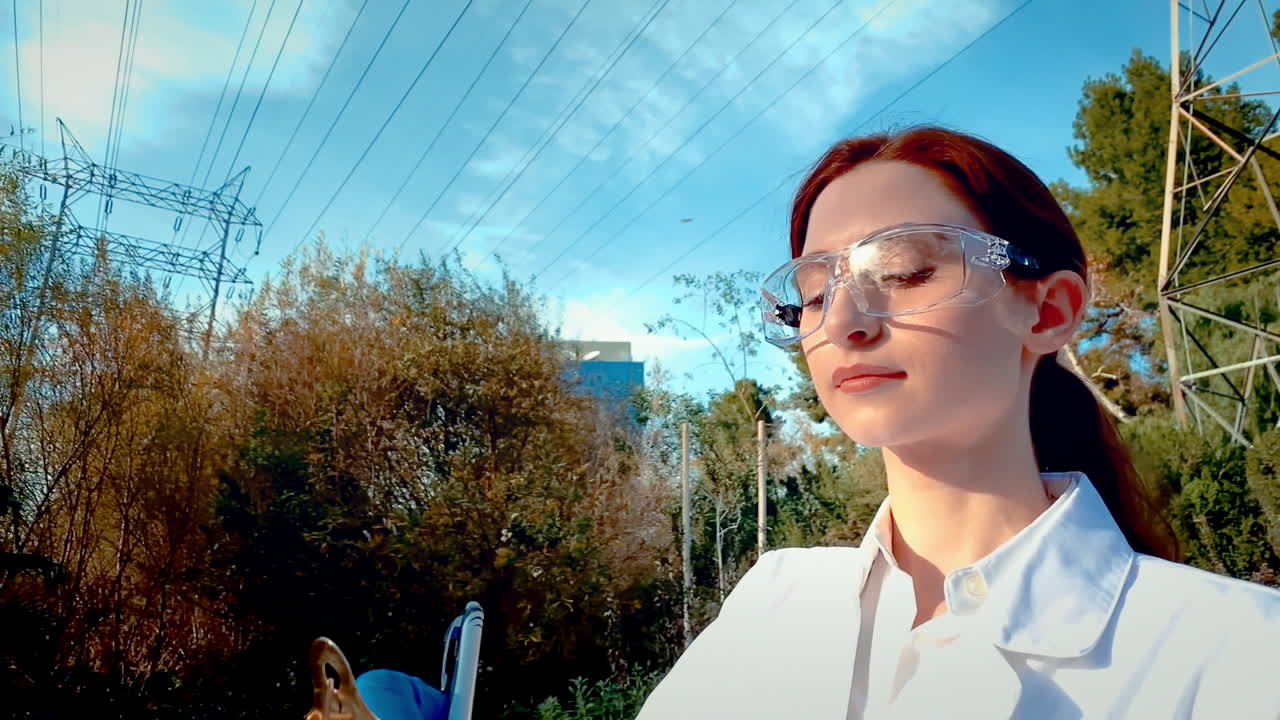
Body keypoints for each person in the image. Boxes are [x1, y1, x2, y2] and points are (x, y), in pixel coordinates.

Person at [634, 126, 1280, 719]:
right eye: (814, 295)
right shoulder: (772, 609)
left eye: (904, 272)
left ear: (1049, 312)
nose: (843, 321)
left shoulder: (1238, 654)